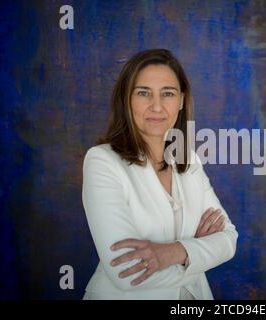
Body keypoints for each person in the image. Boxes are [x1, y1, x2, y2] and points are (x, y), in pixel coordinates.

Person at [81, 49, 238, 300]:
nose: (157, 106)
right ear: (127, 99)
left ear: (182, 101)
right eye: (144, 93)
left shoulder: (189, 160)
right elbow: (127, 271)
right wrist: (198, 253)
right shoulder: (102, 161)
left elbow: (229, 239)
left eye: (168, 93)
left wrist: (173, 252)